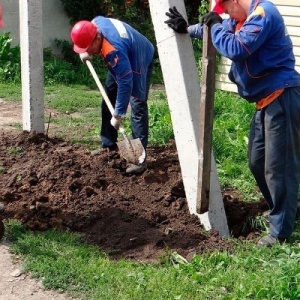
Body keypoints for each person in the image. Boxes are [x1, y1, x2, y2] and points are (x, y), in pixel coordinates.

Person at [165, 0, 300, 247]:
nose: (226, 14)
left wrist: (216, 26)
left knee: (278, 169)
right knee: (257, 161)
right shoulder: (240, 19)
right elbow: (215, 26)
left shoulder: (262, 14)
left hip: (283, 96)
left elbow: (236, 48)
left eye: (226, 8)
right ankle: (286, 210)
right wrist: (187, 28)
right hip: (265, 101)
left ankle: (280, 232)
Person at [70, 16, 155, 175]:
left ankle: (139, 159)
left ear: (97, 39)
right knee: (108, 95)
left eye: (88, 47)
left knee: (137, 105)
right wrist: (86, 51)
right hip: (124, 52)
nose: (88, 50)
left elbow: (125, 82)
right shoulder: (94, 25)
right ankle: (108, 144)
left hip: (139, 57)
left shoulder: (114, 51)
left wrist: (118, 114)